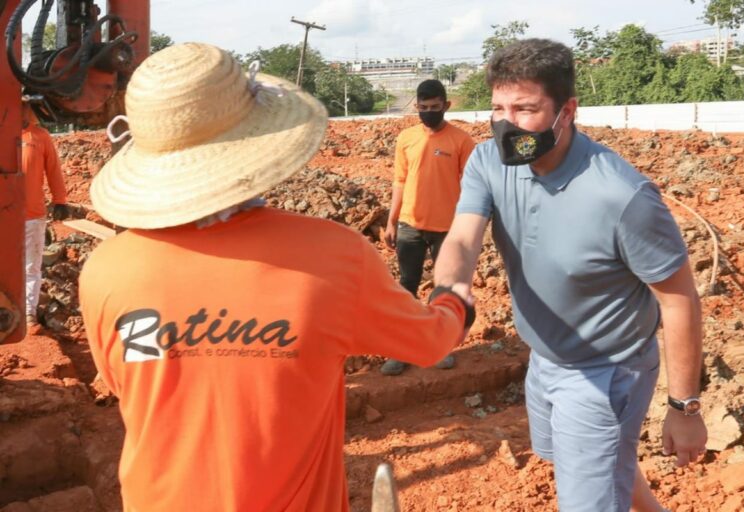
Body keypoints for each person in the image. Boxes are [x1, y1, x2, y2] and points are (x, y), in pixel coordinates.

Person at [79, 43, 474, 512]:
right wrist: (453, 293)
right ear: (258, 139)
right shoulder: (332, 257)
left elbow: (130, 382)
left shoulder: (106, 269)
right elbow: (431, 342)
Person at [434, 39, 707, 512]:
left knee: (591, 486)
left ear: (567, 110)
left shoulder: (622, 197)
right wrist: (452, 288)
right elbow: (461, 239)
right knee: (586, 459)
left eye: (525, 108)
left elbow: (679, 298)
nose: (507, 122)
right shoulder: (486, 161)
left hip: (605, 371)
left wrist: (684, 407)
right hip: (545, 356)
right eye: (498, 107)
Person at [381, 79, 476, 376]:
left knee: (444, 290)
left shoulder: (462, 141)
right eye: (423, 108)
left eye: (435, 108)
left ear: (446, 106)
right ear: (416, 107)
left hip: (447, 229)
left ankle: (439, 348)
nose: (429, 112)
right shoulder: (406, 138)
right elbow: (399, 180)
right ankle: (402, 350)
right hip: (410, 225)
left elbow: (472, 187)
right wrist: (392, 221)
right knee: (406, 289)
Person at [21, 100, 69, 331]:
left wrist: (60, 200)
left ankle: (28, 314)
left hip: (31, 215)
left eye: (24, 105)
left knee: (31, 266)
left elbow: (53, 169)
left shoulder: (39, 136)